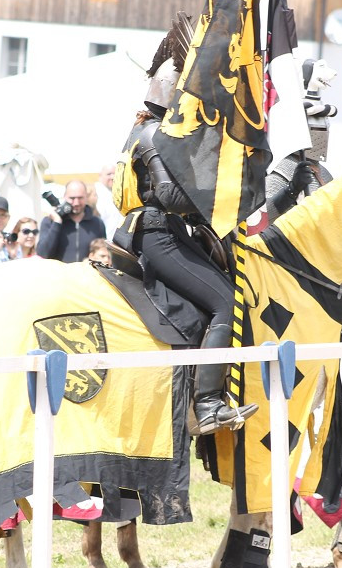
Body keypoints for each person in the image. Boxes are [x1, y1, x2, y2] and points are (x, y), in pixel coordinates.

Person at [109, 33, 256, 435]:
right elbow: (171, 197)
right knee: (228, 303)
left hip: (161, 232)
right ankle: (208, 404)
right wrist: (223, 198)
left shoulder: (145, 127)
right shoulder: (155, 133)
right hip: (160, 235)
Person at [36, 180, 106, 262]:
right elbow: (43, 254)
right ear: (64, 197)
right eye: (72, 198)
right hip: (59, 274)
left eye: (80, 198)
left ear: (86, 197)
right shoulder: (49, 222)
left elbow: (104, 254)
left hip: (86, 274)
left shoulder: (97, 223)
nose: (76, 203)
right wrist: (57, 223)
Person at [94, 162, 124, 234]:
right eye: (109, 174)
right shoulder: (94, 193)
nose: (112, 177)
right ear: (100, 176)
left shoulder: (121, 192)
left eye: (115, 174)